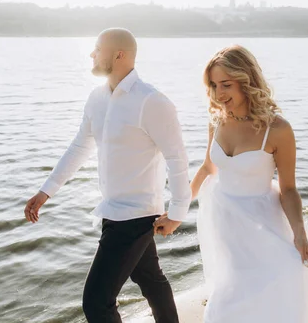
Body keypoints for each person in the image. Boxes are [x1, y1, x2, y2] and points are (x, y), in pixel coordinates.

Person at [170, 45, 308, 322]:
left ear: (247, 81)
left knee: (279, 285)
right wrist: (176, 213)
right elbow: (208, 168)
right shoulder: (216, 122)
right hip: (224, 221)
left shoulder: (277, 130)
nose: (219, 94)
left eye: (226, 85)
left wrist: (299, 232)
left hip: (262, 223)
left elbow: (289, 189)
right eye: (214, 85)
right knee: (227, 298)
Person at [24, 28, 191, 323]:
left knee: (97, 302)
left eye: (97, 48)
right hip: (111, 212)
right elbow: (79, 147)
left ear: (119, 55)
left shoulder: (151, 101)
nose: (91, 54)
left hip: (135, 216)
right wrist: (46, 190)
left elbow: (176, 158)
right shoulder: (97, 98)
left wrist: (177, 212)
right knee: (152, 282)